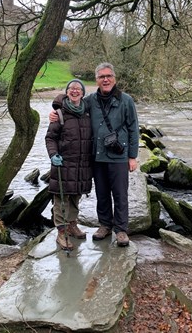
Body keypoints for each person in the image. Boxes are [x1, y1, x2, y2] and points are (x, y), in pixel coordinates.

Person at [50, 63, 139, 247]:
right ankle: (105, 225)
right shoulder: (90, 100)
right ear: (97, 80)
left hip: (119, 157)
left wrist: (132, 156)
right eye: (101, 77)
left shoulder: (126, 100)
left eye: (108, 76)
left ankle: (121, 230)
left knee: (120, 194)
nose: (105, 79)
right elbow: (72, 100)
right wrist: (55, 108)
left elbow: (133, 129)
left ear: (114, 78)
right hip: (97, 157)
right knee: (102, 194)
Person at [45, 79, 92, 251]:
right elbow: (50, 138)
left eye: (78, 89)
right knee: (61, 199)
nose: (74, 91)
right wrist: (53, 155)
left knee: (75, 196)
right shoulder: (59, 113)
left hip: (82, 164)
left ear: (83, 93)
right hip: (63, 163)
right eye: (71, 88)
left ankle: (72, 224)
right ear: (66, 92)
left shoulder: (88, 111)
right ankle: (61, 233)